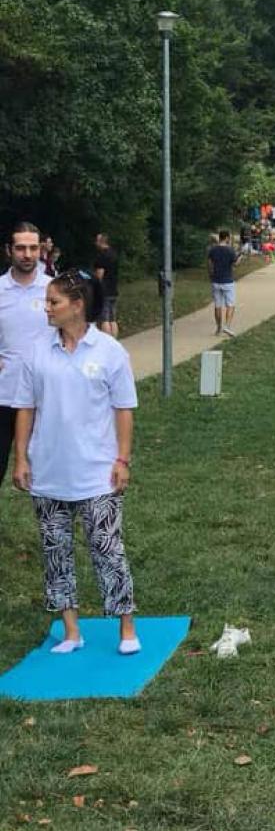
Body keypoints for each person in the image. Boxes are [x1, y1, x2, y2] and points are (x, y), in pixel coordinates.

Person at [12, 269, 140, 655]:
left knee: (106, 548)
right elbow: (25, 407)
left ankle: (127, 629)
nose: (47, 309)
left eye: (54, 302)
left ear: (77, 305)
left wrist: (122, 459)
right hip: (48, 473)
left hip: (97, 473)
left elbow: (124, 409)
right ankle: (71, 631)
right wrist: (21, 459)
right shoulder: (36, 351)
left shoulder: (109, 351)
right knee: (55, 551)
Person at [0, 223, 53, 486]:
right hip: (3, 395)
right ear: (9, 250)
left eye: (33, 248)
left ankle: (54, 527)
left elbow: (71, 335)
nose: (27, 254)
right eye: (21, 248)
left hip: (45, 396)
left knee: (50, 473)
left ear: (41, 250)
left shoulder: (54, 290)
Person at [208, 230, 241, 337]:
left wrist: (211, 276)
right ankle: (227, 326)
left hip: (216, 280)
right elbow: (235, 264)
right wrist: (240, 258)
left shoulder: (213, 250)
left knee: (217, 305)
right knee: (230, 305)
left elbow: (209, 264)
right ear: (226, 238)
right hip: (228, 280)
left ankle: (218, 328)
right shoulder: (230, 251)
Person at [93, 233, 120, 338]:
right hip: (114, 289)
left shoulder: (101, 256)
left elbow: (100, 275)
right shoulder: (114, 254)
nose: (95, 243)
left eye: (97, 240)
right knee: (113, 319)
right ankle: (115, 341)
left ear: (101, 242)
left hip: (104, 291)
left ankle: (107, 342)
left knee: (104, 319)